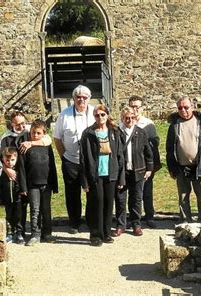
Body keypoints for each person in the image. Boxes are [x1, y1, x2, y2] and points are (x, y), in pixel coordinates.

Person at [0, 110, 52, 239]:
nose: (21, 127)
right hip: (13, 176)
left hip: (30, 175)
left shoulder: (30, 133)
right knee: (17, 206)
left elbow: (47, 139)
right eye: (17, 124)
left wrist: (32, 143)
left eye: (23, 123)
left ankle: (39, 231)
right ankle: (18, 232)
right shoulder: (6, 138)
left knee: (36, 206)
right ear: (11, 124)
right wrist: (6, 169)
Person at [166, 96, 201, 223]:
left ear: (192, 108)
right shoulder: (174, 125)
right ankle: (185, 222)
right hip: (181, 167)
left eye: (186, 107)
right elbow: (169, 148)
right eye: (180, 108)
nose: (183, 110)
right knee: (183, 196)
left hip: (199, 167)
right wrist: (171, 167)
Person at [80, 105, 125, 246]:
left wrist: (121, 177)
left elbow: (120, 155)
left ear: (107, 115)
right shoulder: (88, 133)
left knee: (108, 203)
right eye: (97, 115)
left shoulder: (115, 132)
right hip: (95, 174)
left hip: (111, 173)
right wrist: (85, 181)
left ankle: (106, 232)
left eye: (102, 114)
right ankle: (95, 234)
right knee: (96, 204)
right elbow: (83, 158)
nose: (100, 117)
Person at [53, 85, 95, 234]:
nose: (81, 99)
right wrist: (63, 156)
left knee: (92, 192)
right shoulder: (64, 115)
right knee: (72, 193)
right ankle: (74, 222)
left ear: (89, 98)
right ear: (73, 98)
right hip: (70, 160)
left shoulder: (95, 113)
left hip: (91, 162)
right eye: (78, 97)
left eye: (84, 97)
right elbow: (57, 138)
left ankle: (91, 221)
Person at [114, 107, 153, 237]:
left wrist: (149, 168)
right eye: (126, 118)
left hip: (138, 171)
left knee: (136, 198)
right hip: (122, 172)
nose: (129, 120)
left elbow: (148, 152)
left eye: (132, 118)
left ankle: (136, 224)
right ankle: (121, 225)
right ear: (122, 119)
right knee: (120, 199)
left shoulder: (141, 133)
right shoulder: (117, 133)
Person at [18, 119, 58, 246]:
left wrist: (55, 184)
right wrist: (23, 187)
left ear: (44, 134)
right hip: (32, 184)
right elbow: (22, 169)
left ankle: (47, 233)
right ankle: (35, 234)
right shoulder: (25, 147)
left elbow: (52, 165)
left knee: (46, 210)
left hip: (46, 183)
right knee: (35, 210)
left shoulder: (47, 146)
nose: (35, 135)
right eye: (33, 133)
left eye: (38, 133)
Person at [128, 96, 162, 228]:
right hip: (130, 163)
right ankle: (133, 218)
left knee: (147, 192)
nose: (134, 109)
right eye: (132, 106)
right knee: (132, 193)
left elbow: (155, 142)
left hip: (144, 163)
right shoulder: (125, 121)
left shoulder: (148, 124)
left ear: (142, 108)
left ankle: (149, 216)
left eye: (137, 107)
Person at [0, 147, 25, 244]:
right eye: (7, 160)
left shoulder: (18, 171)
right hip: (7, 199)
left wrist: (23, 193)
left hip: (17, 199)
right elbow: (0, 187)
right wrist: (0, 200)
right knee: (8, 217)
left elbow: (22, 183)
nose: (10, 162)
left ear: (16, 159)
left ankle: (19, 233)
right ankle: (10, 233)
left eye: (12, 160)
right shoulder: (2, 173)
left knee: (18, 217)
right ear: (3, 160)